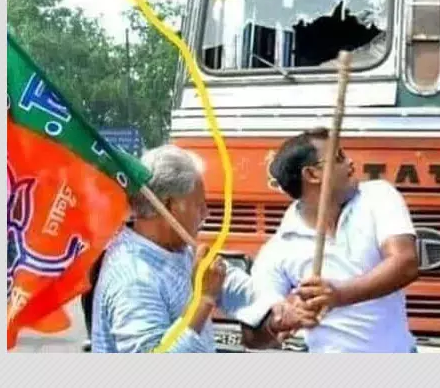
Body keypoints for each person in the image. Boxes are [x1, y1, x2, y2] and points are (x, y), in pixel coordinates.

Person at [90, 145, 316, 353]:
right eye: (199, 205)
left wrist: (280, 307)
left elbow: (230, 283)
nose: (205, 215)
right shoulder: (134, 276)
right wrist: (204, 300)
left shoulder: (178, 250)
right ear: (168, 206)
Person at [251, 127, 420, 353]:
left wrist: (339, 295)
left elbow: (405, 263)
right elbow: (251, 335)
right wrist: (280, 321)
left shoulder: (378, 196)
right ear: (312, 175)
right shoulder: (279, 249)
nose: (351, 163)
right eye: (339, 157)